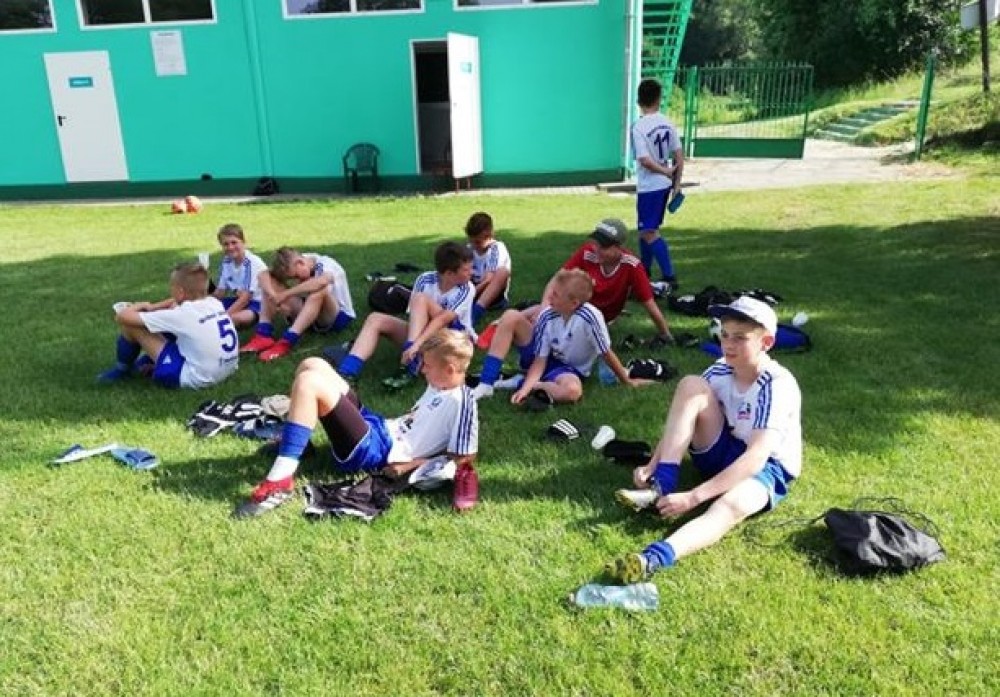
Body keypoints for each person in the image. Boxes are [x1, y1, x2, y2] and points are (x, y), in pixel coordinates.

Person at [605, 296, 802, 582]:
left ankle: (653, 558)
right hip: (724, 450)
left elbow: (756, 457)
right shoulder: (720, 369)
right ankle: (662, 484)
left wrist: (693, 497)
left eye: (740, 338)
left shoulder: (777, 384)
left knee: (732, 505)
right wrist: (653, 463)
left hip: (767, 467)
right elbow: (682, 417)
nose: (728, 344)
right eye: (725, 335)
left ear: (767, 343)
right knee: (691, 385)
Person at [235, 328, 479, 518]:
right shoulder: (441, 382)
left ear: (450, 369)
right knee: (313, 364)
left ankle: (280, 480)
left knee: (309, 382)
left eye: (427, 365)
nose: (422, 370)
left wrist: (410, 465)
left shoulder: (462, 401)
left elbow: (465, 456)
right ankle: (299, 445)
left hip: (377, 450)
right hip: (381, 427)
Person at [474, 269, 645, 404]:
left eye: (555, 294)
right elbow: (539, 361)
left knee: (572, 392)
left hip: (567, 370)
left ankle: (523, 382)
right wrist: (525, 390)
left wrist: (627, 381)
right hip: (540, 360)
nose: (549, 297)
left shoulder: (591, 318)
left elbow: (606, 353)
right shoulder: (547, 315)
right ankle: (486, 384)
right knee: (510, 315)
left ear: (574, 303)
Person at [337, 241, 475, 380]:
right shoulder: (425, 279)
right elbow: (415, 317)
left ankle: (412, 357)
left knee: (421, 299)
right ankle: (347, 372)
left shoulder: (467, 288)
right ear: (449, 273)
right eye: (466, 270)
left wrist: (416, 344)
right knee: (375, 319)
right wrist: (416, 344)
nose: (471, 273)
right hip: (424, 336)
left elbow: (442, 320)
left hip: (454, 341)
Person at [98, 262, 239, 389]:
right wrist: (155, 307)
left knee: (132, 327)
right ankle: (148, 363)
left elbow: (122, 317)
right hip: (226, 369)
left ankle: (122, 370)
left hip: (195, 378)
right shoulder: (214, 303)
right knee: (169, 330)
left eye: (172, 286)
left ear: (180, 292)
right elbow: (174, 302)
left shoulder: (182, 314)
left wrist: (142, 305)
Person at [240, 246, 356, 361]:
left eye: (296, 276)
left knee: (320, 288)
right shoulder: (294, 261)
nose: (296, 280)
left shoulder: (325, 264)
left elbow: (322, 281)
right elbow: (262, 274)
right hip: (309, 313)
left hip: (336, 317)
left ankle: (287, 340)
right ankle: (263, 334)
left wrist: (285, 294)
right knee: (270, 280)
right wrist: (274, 297)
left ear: (300, 263)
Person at [631, 77, 684, 289]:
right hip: (663, 185)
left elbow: (644, 160)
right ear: (659, 99)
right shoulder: (667, 122)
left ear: (639, 100)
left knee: (649, 232)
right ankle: (644, 272)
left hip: (650, 186)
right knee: (645, 229)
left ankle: (669, 276)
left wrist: (664, 171)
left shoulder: (639, 127)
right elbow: (678, 154)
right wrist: (676, 182)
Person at [211, 223, 269, 328]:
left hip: (258, 303)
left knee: (235, 319)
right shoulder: (227, 261)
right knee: (209, 311)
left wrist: (224, 317)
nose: (230, 247)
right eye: (226, 244)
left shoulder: (251, 263)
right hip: (238, 300)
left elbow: (246, 298)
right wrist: (202, 303)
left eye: (234, 242)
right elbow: (220, 292)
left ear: (243, 242)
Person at [464, 211, 512, 326]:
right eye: (471, 240)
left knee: (502, 272)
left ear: (489, 235)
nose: (473, 245)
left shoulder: (496, 248)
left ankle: (475, 312)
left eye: (477, 242)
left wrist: (470, 295)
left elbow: (488, 279)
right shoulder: (469, 249)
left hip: (492, 293)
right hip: (472, 289)